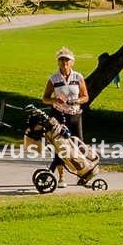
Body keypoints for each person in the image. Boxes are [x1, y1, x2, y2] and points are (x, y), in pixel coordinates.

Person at [41, 47, 90, 181]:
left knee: (79, 146)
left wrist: (76, 101)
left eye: (67, 60)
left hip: (75, 115)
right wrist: (55, 100)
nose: (64, 63)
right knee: (60, 147)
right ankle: (61, 177)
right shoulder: (53, 79)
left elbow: (85, 97)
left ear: (72, 62)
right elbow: (45, 98)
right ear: (58, 62)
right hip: (58, 116)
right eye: (61, 60)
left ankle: (83, 174)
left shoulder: (78, 77)